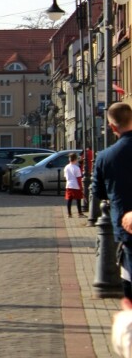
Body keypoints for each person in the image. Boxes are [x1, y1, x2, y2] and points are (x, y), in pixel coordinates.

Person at [93, 102, 132, 300]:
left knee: (129, 284)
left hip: (126, 229)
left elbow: (98, 191)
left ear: (112, 126)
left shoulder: (106, 156)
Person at [65, 152, 84, 218]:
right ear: (75, 159)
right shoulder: (76, 168)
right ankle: (79, 213)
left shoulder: (66, 167)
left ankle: (69, 214)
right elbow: (78, 179)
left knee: (69, 200)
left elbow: (66, 176)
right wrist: (81, 187)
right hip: (76, 185)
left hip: (68, 185)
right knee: (78, 200)